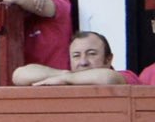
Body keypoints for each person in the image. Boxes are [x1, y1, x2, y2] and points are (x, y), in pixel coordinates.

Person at [14, 30, 145, 86]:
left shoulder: (126, 76)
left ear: (108, 59)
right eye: (76, 55)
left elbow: (108, 78)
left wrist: (66, 79)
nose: (83, 62)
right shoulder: (67, 77)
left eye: (92, 53)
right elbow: (19, 75)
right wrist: (64, 75)